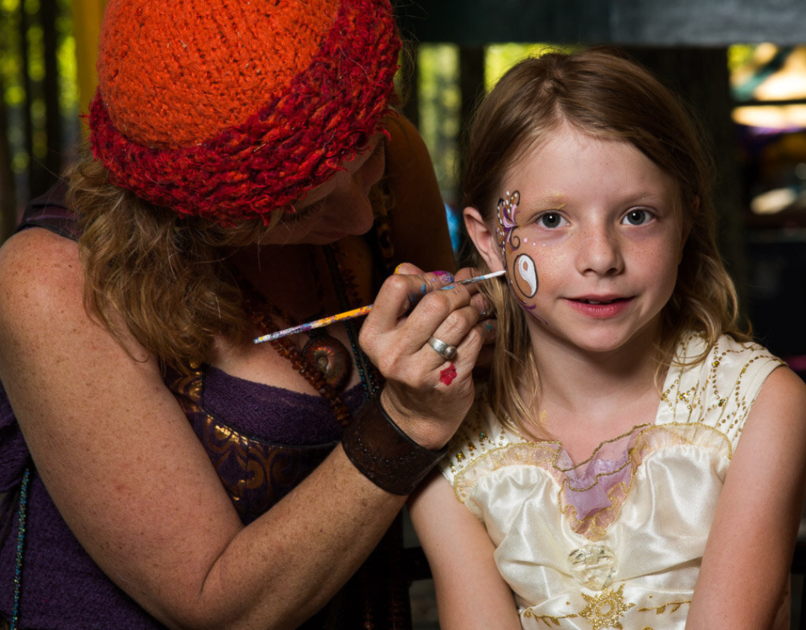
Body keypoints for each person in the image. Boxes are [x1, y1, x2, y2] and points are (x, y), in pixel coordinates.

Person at [0, 0, 492, 628]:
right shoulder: (53, 282)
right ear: (182, 215)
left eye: (366, 153)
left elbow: (463, 417)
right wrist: (405, 421)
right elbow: (216, 608)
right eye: (295, 213)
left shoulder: (388, 158)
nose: (362, 220)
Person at [409, 47, 806, 630]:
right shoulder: (451, 436)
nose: (601, 258)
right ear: (490, 240)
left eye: (637, 215)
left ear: (686, 222)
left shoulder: (761, 408)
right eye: (551, 220)